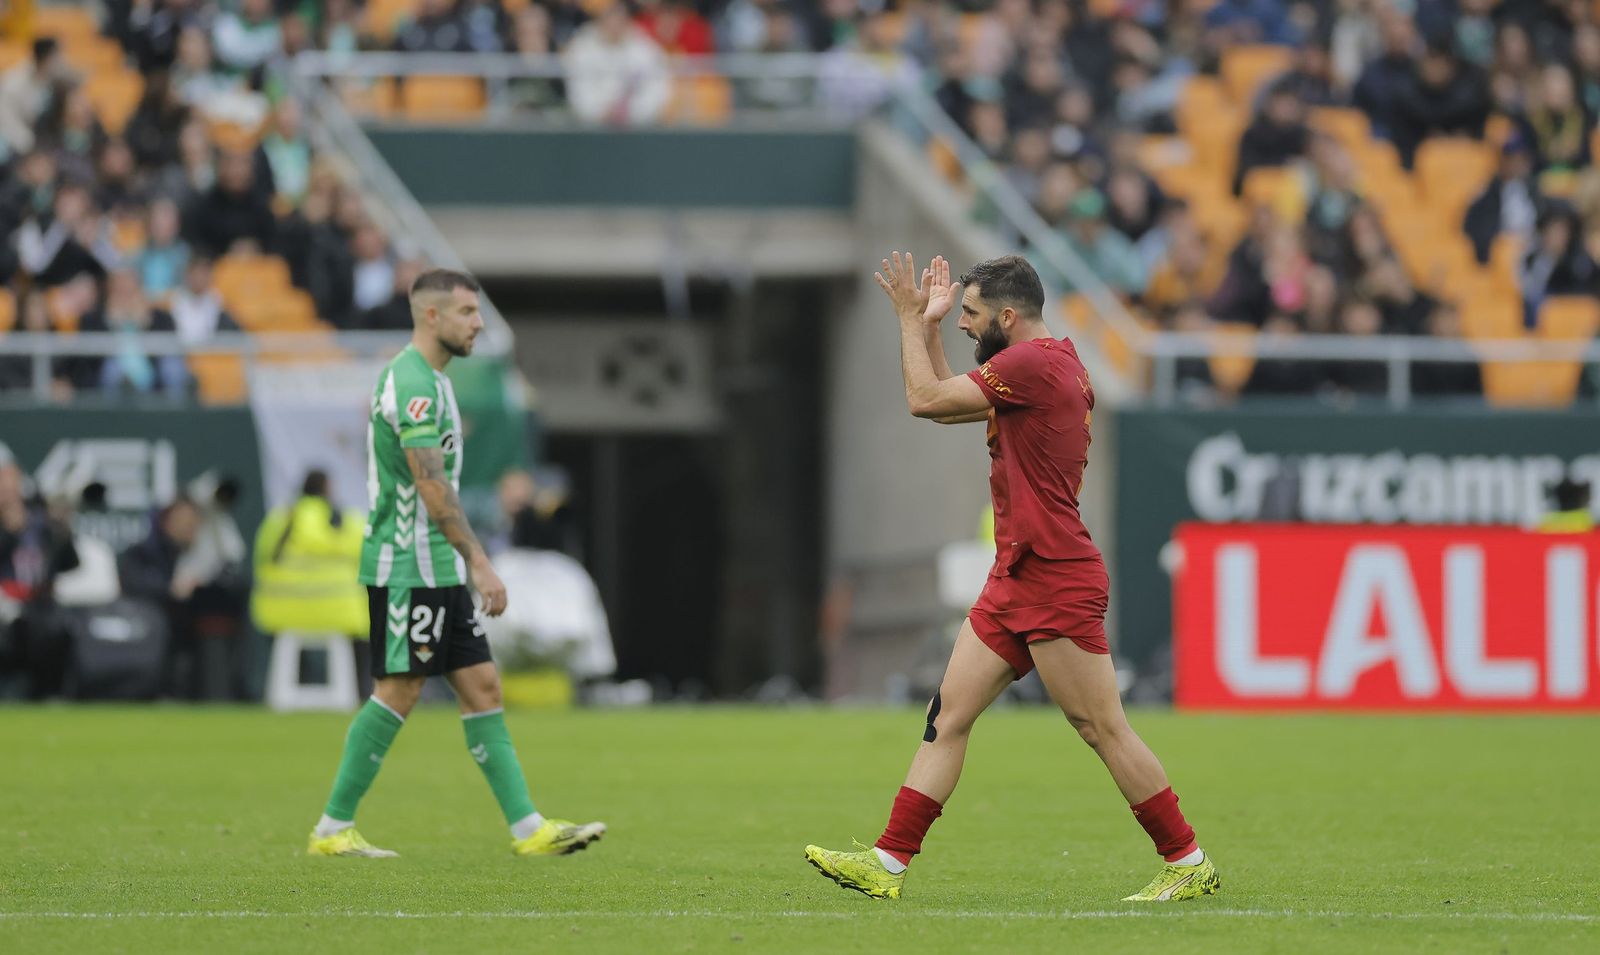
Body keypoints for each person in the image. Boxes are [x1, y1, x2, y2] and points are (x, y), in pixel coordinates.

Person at [804, 253, 1217, 902]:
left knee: (1101, 727)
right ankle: (888, 861)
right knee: (949, 716)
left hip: (1054, 575)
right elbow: (945, 407)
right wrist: (932, 329)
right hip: (1016, 576)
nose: (964, 323)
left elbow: (921, 399)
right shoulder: (1044, 364)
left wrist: (911, 321)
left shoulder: (1032, 364)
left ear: (1007, 315)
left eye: (970, 313)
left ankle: (1187, 858)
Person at [305, 268, 605, 859]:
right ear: (432, 316)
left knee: (483, 685)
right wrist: (481, 562)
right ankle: (331, 828)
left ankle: (530, 831)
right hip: (406, 565)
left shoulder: (440, 385)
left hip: (436, 563)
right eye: (468, 312)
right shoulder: (411, 384)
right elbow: (431, 488)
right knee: (400, 689)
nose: (479, 322)